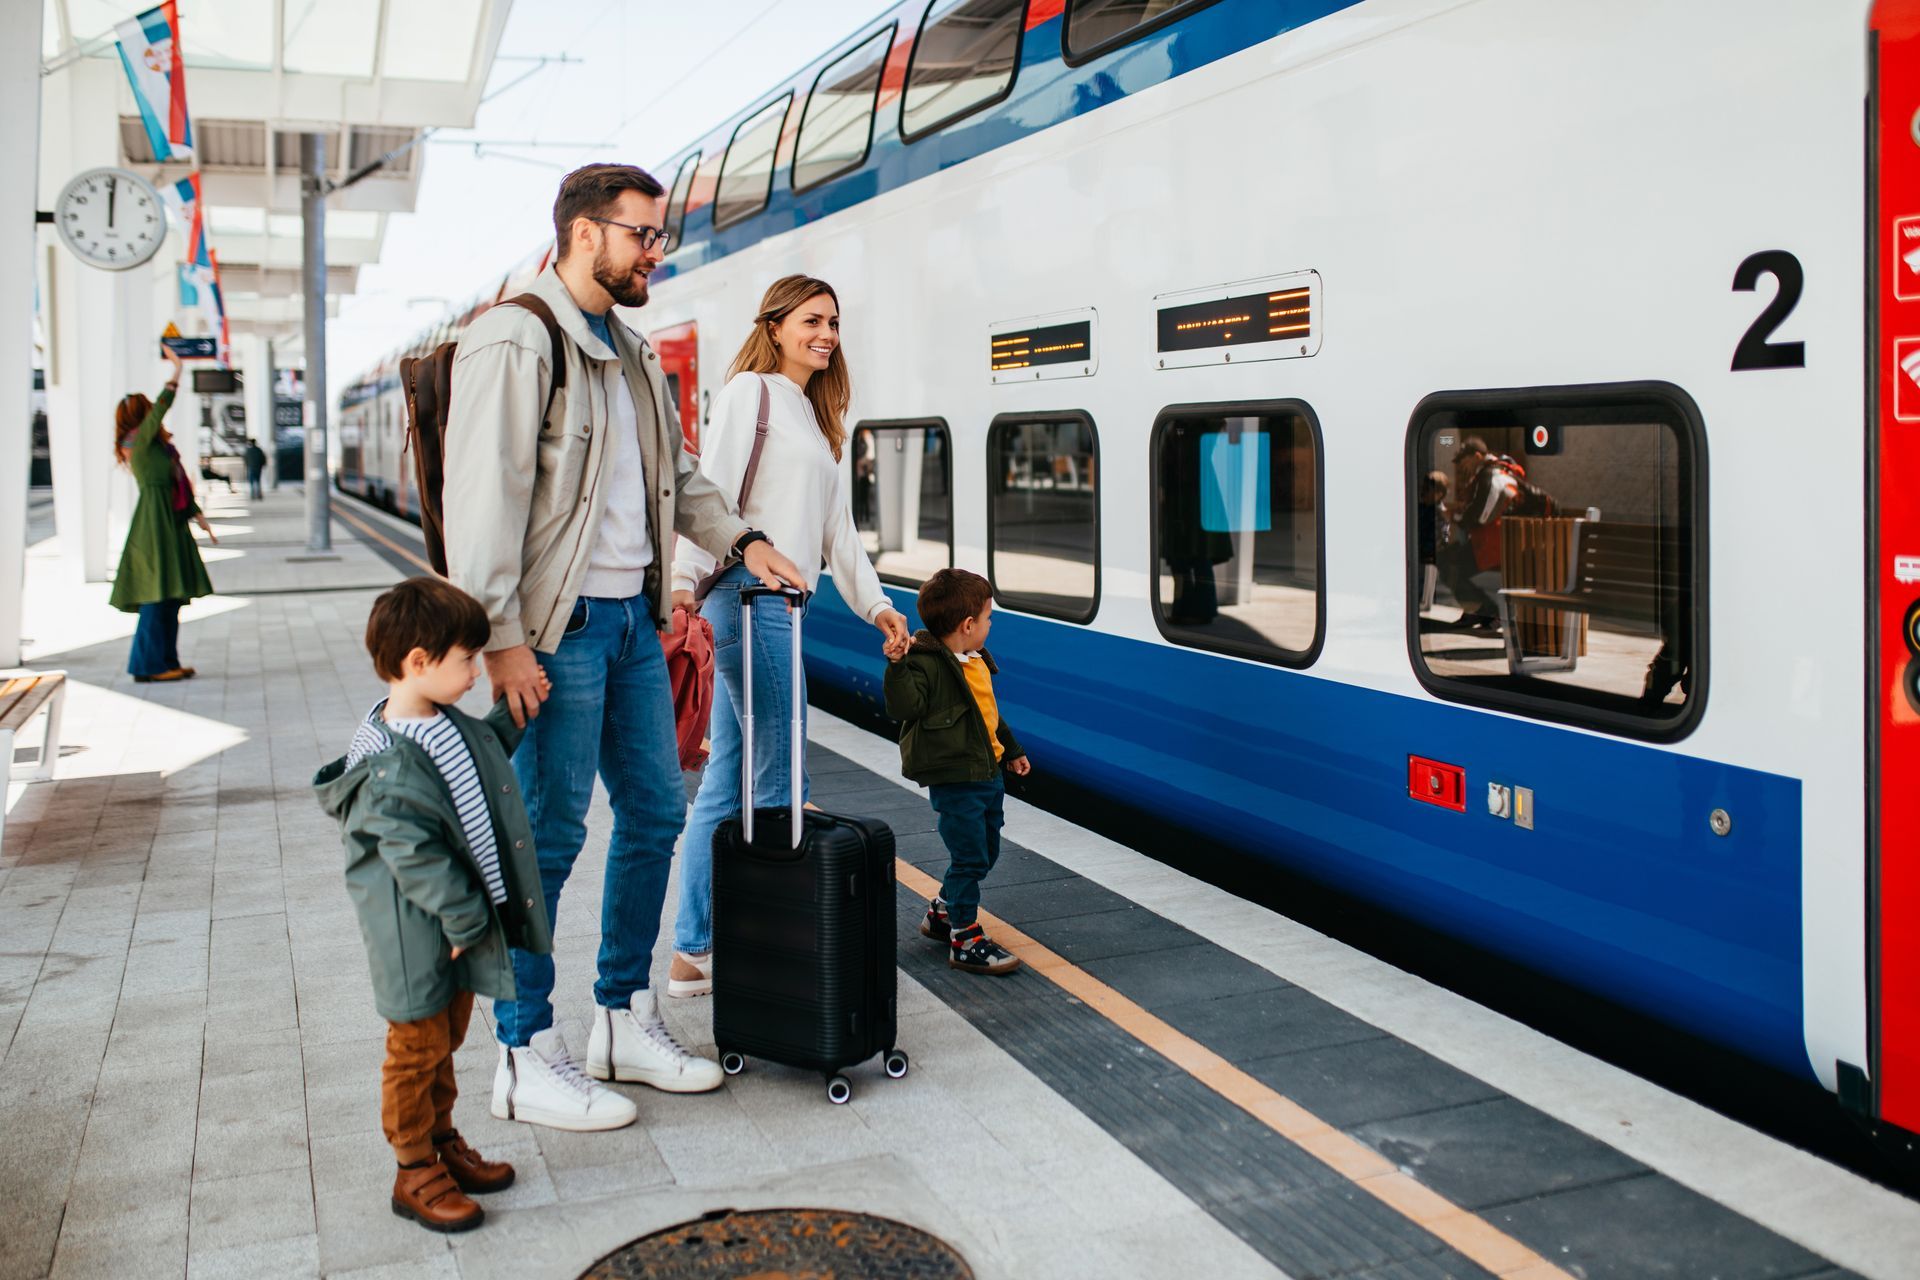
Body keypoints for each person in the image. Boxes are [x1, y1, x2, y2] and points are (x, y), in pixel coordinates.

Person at [442, 163, 807, 1129]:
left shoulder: (635, 353)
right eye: (643, 234)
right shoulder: (518, 340)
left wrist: (743, 539)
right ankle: (523, 1051)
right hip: (553, 636)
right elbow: (485, 498)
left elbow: (679, 478)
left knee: (654, 817)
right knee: (547, 841)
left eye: (658, 236)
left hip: (632, 628)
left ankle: (620, 1015)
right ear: (583, 233)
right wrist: (503, 640)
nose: (657, 251)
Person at [667, 276, 911, 998]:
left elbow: (837, 534)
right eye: (811, 320)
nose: (826, 334)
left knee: (734, 776)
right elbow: (709, 494)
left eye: (834, 322)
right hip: (748, 596)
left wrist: (878, 609)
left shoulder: (813, 414)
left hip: (778, 604)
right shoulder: (754, 394)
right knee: (779, 774)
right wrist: (684, 583)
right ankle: (760, 933)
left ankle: (695, 948)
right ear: (774, 326)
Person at [315, 578, 569, 1235]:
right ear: (419, 662)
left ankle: (442, 1139)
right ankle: (412, 1169)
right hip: (419, 933)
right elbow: (414, 859)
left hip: (455, 927)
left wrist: (511, 716)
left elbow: (472, 762)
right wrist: (463, 919)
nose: (475, 670)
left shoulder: (437, 719)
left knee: (446, 1041)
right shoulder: (388, 767)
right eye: (466, 660)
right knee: (414, 1046)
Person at [883, 569, 1028, 975]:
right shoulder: (925, 665)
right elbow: (904, 708)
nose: (990, 624)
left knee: (986, 850)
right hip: (955, 778)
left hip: (987, 773)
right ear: (968, 626)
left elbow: (990, 716)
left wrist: (1012, 750)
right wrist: (897, 667)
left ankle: (943, 911)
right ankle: (964, 937)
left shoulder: (976, 660)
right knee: (969, 857)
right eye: (988, 618)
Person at [110, 348, 215, 683]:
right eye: (150, 413)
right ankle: (148, 666)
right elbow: (161, 408)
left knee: (170, 598)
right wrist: (177, 370)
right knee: (157, 596)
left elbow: (177, 483)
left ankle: (166, 661)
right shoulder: (139, 444)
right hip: (154, 527)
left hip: (168, 523)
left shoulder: (155, 447)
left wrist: (197, 515)